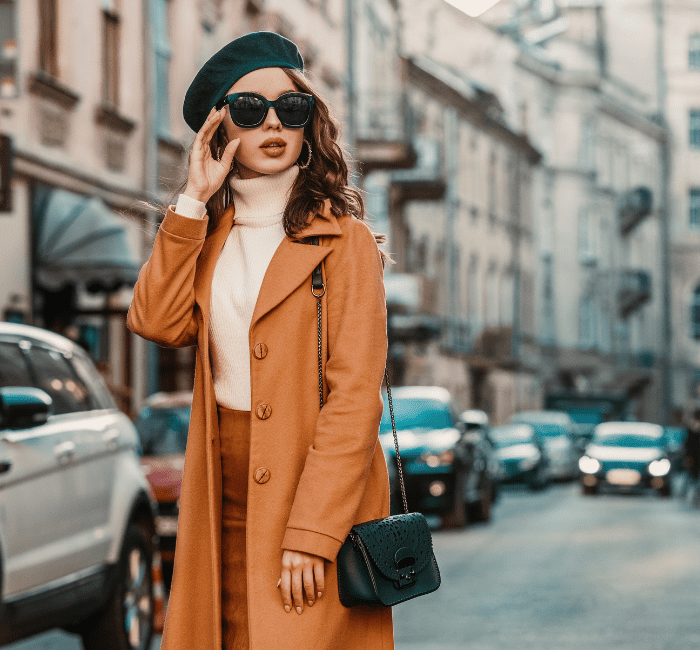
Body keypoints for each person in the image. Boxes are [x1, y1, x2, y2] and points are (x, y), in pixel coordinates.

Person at [127, 32, 394, 650]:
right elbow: (155, 321)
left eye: (291, 110)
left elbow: (354, 400)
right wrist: (191, 200)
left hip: (316, 488)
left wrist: (313, 532)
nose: (273, 122)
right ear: (222, 131)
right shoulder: (205, 235)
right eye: (249, 110)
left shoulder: (345, 242)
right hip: (220, 487)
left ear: (309, 126)